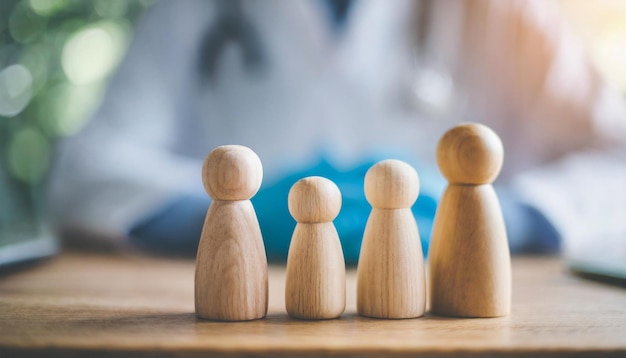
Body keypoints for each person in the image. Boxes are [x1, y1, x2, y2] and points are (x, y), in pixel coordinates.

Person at [51, 0, 626, 263]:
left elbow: (616, 161)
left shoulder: (514, 15)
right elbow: (85, 172)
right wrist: (229, 216)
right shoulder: (193, 11)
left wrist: (504, 218)